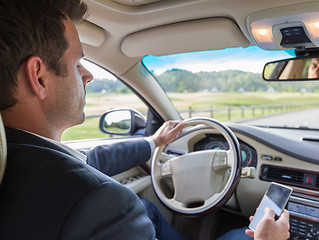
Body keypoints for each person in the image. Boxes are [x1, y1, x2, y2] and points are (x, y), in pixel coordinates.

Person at [0, 0, 290, 239]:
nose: (87, 75)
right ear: (38, 77)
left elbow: (90, 160)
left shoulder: (15, 157)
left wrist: (154, 142)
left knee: (148, 210)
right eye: (77, 63)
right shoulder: (101, 202)